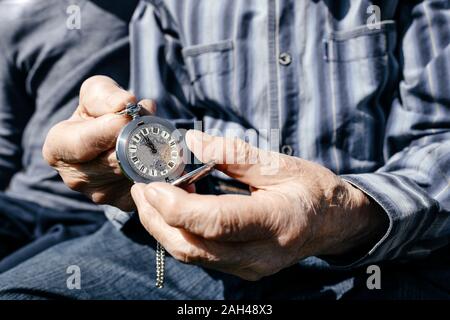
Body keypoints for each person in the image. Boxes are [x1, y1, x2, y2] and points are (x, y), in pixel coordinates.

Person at [0, 0, 450, 300]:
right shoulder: (165, 8)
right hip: (185, 259)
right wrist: (117, 169)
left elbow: (440, 138)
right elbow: (165, 141)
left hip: (384, 260)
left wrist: (343, 213)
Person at [0, 0, 138, 272]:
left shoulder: (160, 13)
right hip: (22, 203)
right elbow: (5, 141)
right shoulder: (16, 15)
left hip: (98, 213)